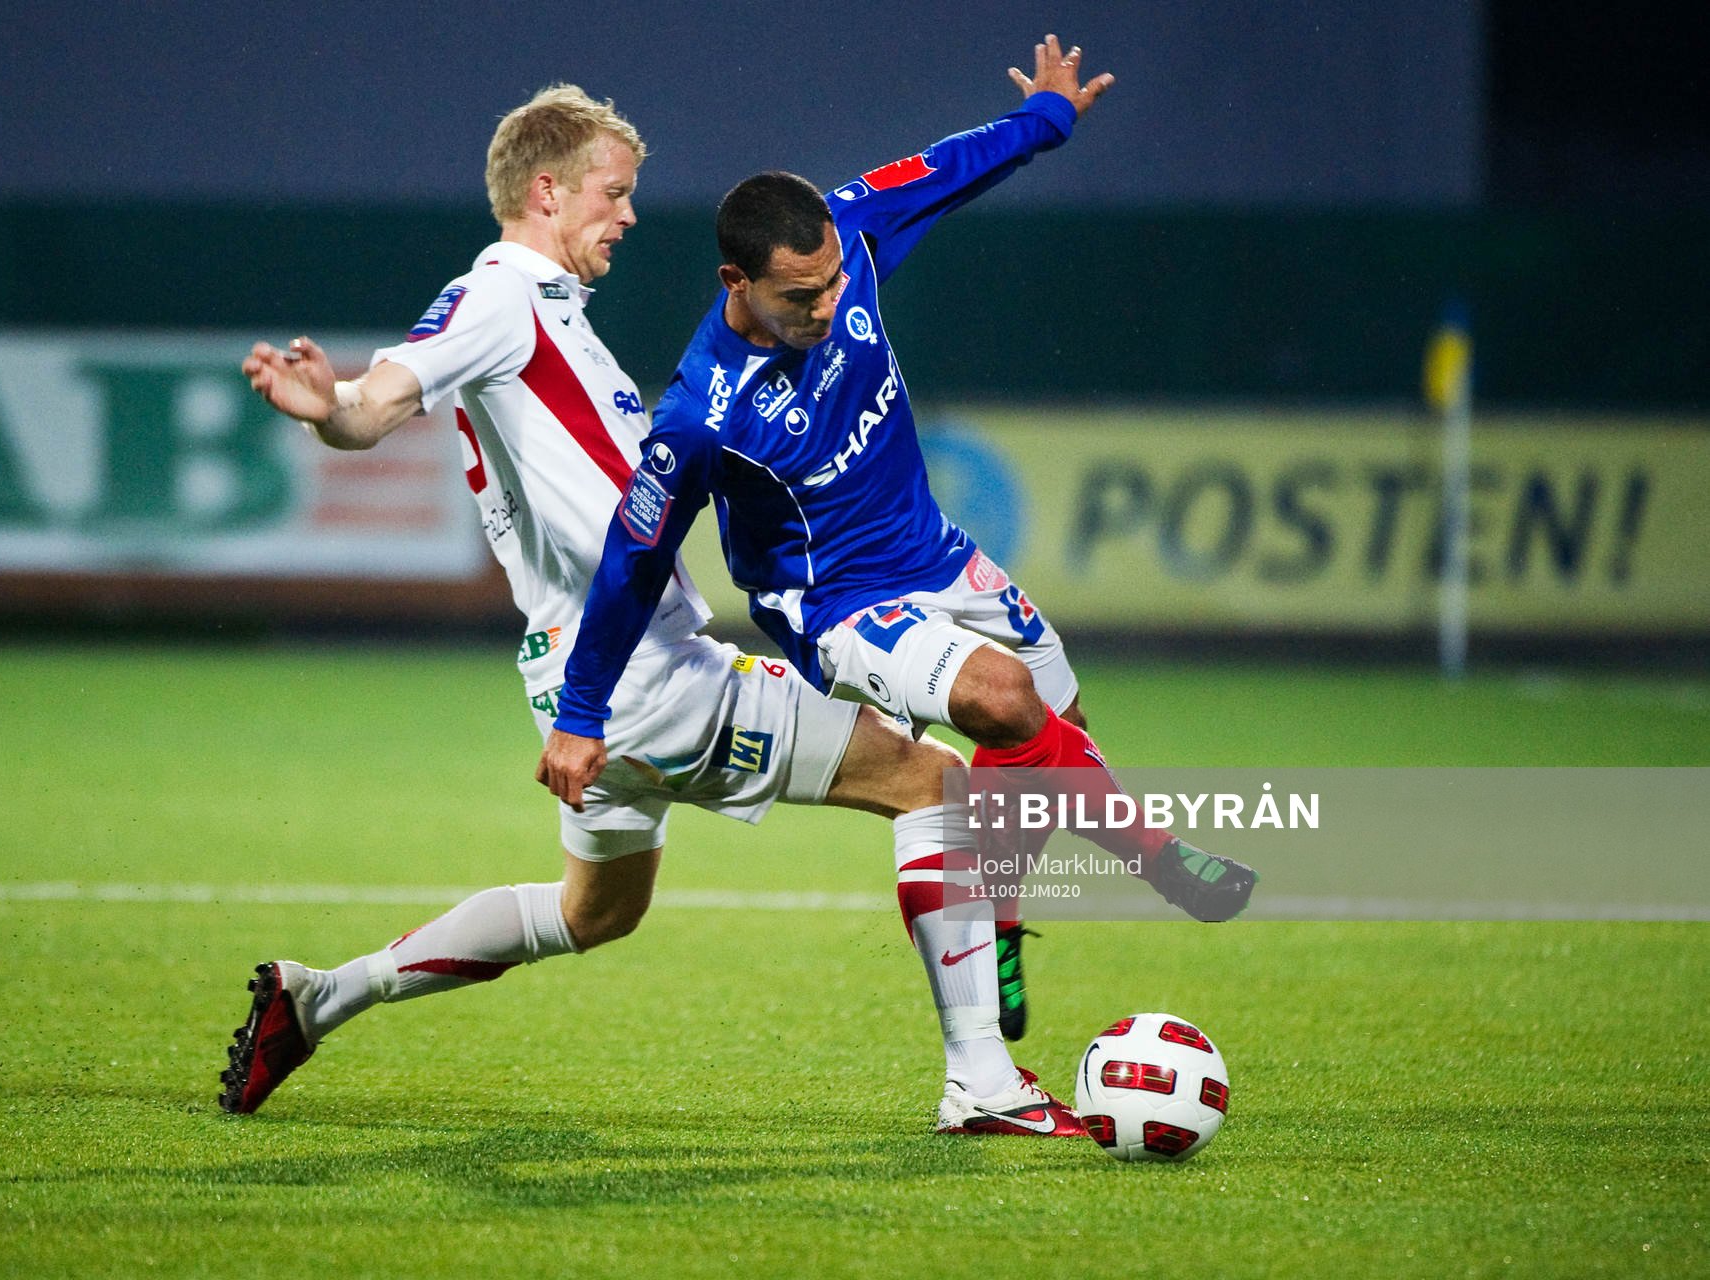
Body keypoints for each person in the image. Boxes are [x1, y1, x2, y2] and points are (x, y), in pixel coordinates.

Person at [223, 84, 1081, 1137]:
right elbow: (388, 393)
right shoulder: (504, 295)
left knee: (592, 912)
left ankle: (321, 995)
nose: (626, 216)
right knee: (935, 783)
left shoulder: (542, 315)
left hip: (574, 675)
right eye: (610, 193)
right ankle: (982, 1081)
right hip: (639, 677)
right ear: (545, 191)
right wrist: (339, 412)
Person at [538, 39, 1259, 1043]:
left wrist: (1045, 120)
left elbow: (948, 167)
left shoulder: (850, 229)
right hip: (835, 606)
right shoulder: (702, 416)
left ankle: (995, 916)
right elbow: (634, 556)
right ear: (734, 281)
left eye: (834, 281)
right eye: (800, 297)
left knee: (1058, 721)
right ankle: (1160, 860)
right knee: (1004, 703)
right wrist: (580, 710)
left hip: (932, 550)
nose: (828, 305)